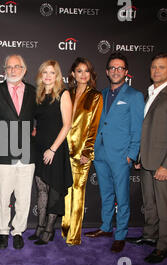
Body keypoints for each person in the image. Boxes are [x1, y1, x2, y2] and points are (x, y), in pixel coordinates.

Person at [128, 53, 167, 263]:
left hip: (162, 163)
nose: (156, 71)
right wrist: (139, 156)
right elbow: (146, 130)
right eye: (154, 67)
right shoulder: (150, 94)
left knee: (164, 205)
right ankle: (149, 236)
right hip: (146, 160)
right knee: (149, 203)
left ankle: (163, 246)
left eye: (161, 67)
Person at [85, 53, 145, 253]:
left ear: (126, 72)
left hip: (121, 155)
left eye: (120, 68)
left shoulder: (134, 96)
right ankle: (105, 227)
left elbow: (138, 128)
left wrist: (132, 154)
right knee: (106, 194)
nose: (116, 71)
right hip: (100, 154)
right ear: (107, 72)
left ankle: (121, 235)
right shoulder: (100, 94)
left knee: (122, 196)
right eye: (112, 68)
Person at [0, 54, 37, 250]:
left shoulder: (34, 92)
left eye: (17, 67)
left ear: (24, 70)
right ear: (4, 70)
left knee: (24, 196)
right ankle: (3, 231)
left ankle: (18, 231)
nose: (13, 70)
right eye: (9, 67)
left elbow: (39, 118)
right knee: (3, 196)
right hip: (3, 153)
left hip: (27, 152)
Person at [29, 60, 73, 245]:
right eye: (44, 72)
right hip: (39, 148)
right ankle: (39, 227)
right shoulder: (38, 95)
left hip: (55, 149)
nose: (48, 76)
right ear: (40, 75)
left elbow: (67, 125)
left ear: (57, 76)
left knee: (54, 188)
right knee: (41, 189)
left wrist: (53, 149)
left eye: (52, 72)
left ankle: (49, 230)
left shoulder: (63, 94)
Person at [61, 57, 103, 246]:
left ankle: (74, 235)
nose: (83, 74)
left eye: (86, 71)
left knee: (78, 192)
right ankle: (65, 229)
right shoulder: (67, 94)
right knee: (66, 191)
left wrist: (87, 151)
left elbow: (94, 127)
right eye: (79, 71)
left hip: (81, 153)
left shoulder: (95, 96)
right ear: (73, 74)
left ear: (90, 74)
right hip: (63, 149)